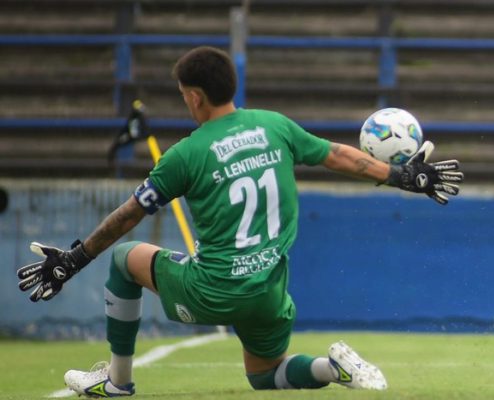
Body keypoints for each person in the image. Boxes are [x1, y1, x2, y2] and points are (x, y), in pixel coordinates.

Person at [17, 46, 464, 397]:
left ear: (194, 97)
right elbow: (338, 156)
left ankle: (117, 381)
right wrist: (404, 176)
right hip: (268, 293)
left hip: (212, 292)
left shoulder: (186, 153)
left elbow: (129, 214)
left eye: (183, 96)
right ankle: (335, 368)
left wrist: (74, 259)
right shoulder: (275, 126)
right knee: (266, 377)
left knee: (121, 259)